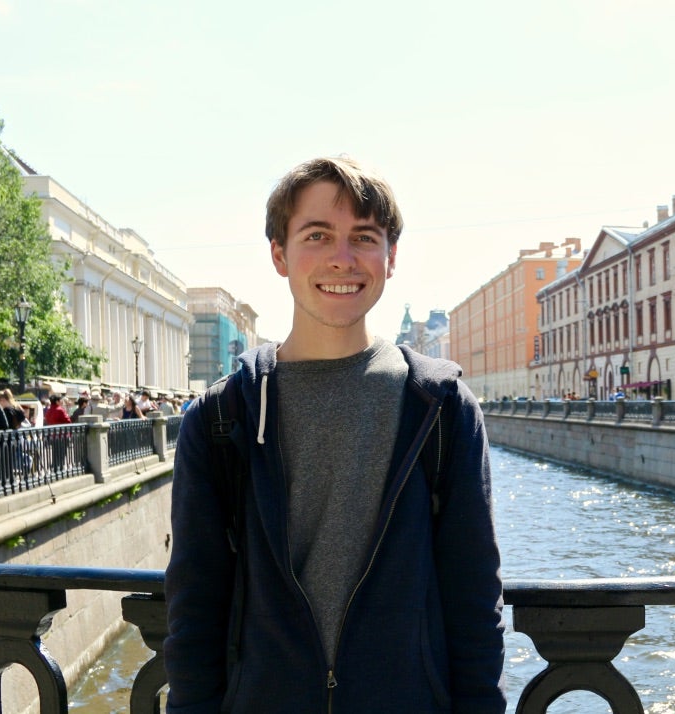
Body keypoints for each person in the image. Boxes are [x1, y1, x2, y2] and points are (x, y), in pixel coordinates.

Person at [164, 157, 505, 713]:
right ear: (280, 253)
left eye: (363, 237)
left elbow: (474, 606)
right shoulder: (221, 417)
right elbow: (194, 612)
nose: (341, 259)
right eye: (317, 234)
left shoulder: (442, 410)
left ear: (391, 258)